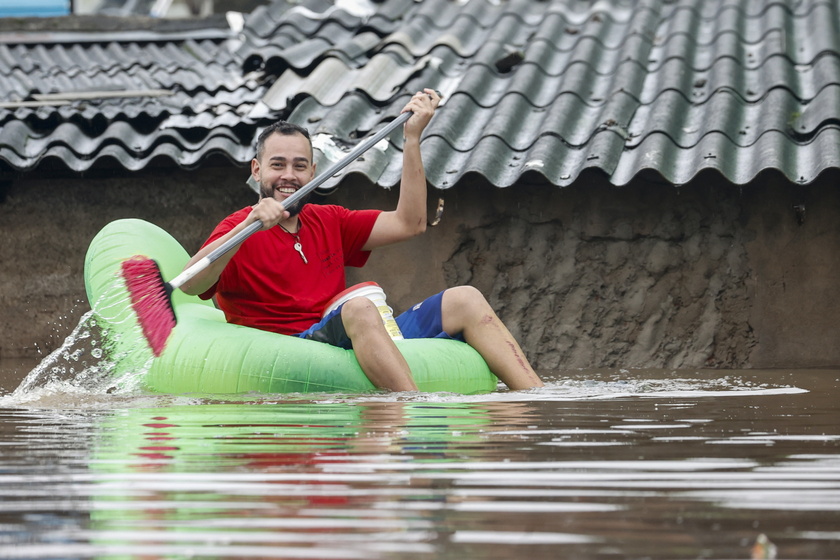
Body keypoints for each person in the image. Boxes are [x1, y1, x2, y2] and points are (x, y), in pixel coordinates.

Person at [181, 88, 544, 392]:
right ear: (257, 170)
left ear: (313, 172)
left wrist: (412, 139)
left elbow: (410, 223)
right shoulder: (237, 226)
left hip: (342, 331)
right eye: (277, 165)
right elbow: (191, 282)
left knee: (465, 298)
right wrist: (247, 226)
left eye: (299, 166)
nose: (288, 176)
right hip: (295, 350)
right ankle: (415, 412)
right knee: (357, 308)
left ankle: (537, 399)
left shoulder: (328, 219)